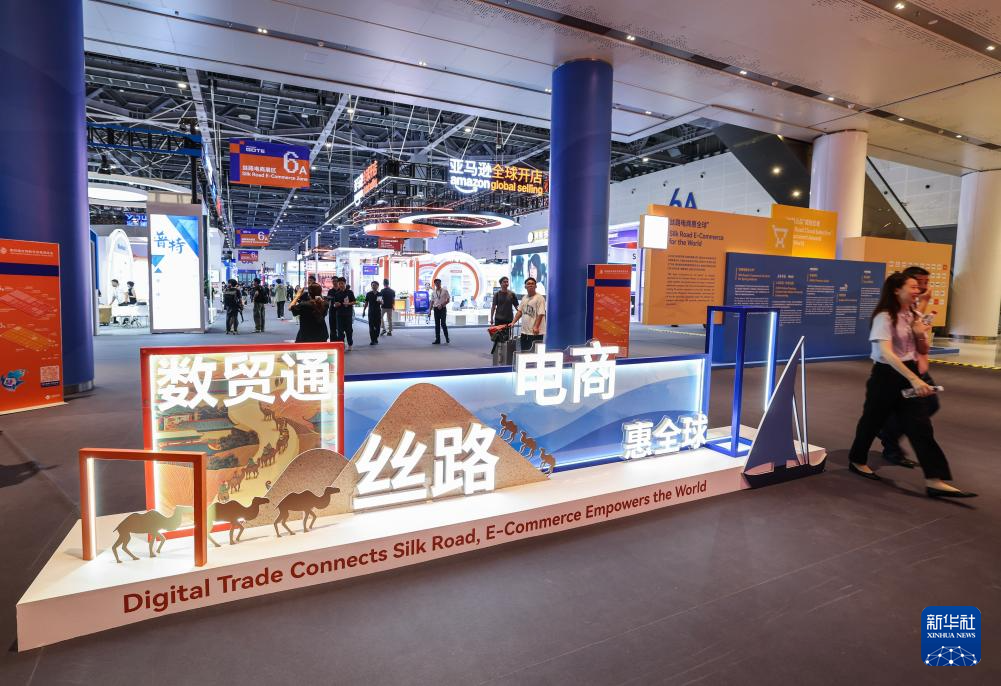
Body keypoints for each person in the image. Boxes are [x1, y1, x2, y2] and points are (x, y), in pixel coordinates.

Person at [847, 272, 975, 498]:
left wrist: (920, 334)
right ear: (897, 290)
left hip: (909, 371)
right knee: (871, 421)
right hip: (886, 376)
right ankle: (857, 460)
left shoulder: (914, 315)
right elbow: (887, 354)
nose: (918, 291)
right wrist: (914, 379)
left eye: (919, 287)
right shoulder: (884, 317)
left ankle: (934, 480)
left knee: (921, 426)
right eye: (913, 286)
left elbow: (922, 349)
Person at [879, 266, 937, 467]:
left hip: (915, 367)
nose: (921, 287)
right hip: (901, 370)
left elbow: (918, 328)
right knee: (916, 409)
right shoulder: (888, 314)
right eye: (917, 284)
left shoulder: (912, 307)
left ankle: (888, 436)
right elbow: (887, 350)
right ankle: (889, 442)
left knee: (926, 406)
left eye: (925, 283)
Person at [510, 277, 545, 351]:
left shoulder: (540, 298)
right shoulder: (524, 298)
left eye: (532, 284)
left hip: (535, 333)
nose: (530, 285)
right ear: (525, 286)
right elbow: (520, 312)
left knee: (534, 353)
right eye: (528, 284)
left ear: (536, 286)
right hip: (524, 332)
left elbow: (541, 314)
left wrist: (536, 327)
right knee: (524, 352)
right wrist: (513, 322)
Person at [329, 277, 355, 350]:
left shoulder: (350, 292)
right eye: (339, 283)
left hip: (348, 314)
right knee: (340, 331)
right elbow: (334, 304)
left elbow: (354, 301)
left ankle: (350, 344)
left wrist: (349, 303)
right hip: (339, 315)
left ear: (345, 283)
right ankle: (342, 345)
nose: (341, 285)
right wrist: (336, 304)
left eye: (342, 283)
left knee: (349, 330)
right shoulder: (337, 293)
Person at [430, 278, 450, 344]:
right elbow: (432, 302)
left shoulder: (445, 291)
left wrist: (442, 305)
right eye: (436, 283)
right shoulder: (433, 292)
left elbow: (448, 300)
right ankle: (437, 340)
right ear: (435, 284)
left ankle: (447, 338)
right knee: (437, 325)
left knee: (443, 324)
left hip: (443, 309)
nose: (438, 284)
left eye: (439, 283)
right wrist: (429, 311)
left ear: (440, 283)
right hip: (436, 309)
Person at [362, 281, 382, 345]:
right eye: (373, 285)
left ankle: (376, 338)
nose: (374, 286)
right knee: (371, 326)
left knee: (378, 326)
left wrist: (381, 302)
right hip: (371, 312)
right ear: (371, 286)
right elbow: (366, 303)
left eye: (375, 285)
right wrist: (364, 311)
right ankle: (372, 340)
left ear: (378, 286)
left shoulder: (379, 294)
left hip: (378, 312)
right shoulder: (368, 294)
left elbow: (382, 302)